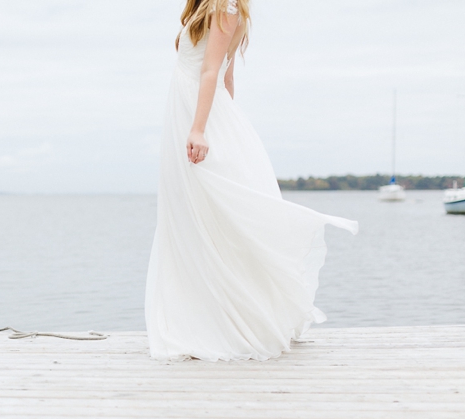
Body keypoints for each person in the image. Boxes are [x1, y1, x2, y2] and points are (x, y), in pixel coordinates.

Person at [145, 0, 358, 361]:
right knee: (192, 215)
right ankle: (204, 315)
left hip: (197, 117)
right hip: (186, 111)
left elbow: (215, 72)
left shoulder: (225, 8)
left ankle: (231, 320)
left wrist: (202, 129)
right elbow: (223, 76)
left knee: (218, 212)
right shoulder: (204, 8)